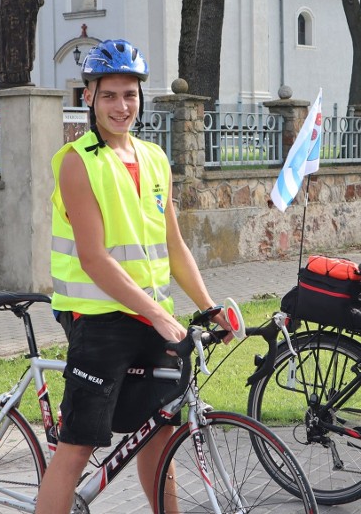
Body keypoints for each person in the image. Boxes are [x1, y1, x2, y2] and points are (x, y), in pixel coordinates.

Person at [36, 39, 231, 513]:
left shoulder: (154, 158)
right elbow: (94, 258)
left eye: (130, 94)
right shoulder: (77, 162)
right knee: (78, 446)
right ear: (88, 98)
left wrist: (208, 306)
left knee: (159, 437)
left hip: (151, 318)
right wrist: (157, 316)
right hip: (98, 319)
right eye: (109, 95)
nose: (121, 106)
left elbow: (174, 245)